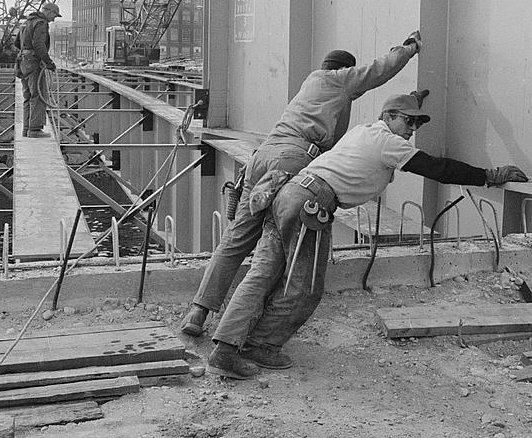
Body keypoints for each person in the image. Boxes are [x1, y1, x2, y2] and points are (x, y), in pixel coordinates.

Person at [208, 92, 528, 379]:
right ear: (387, 117)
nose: (411, 129)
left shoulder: (363, 132)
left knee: (262, 275)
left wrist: (411, 101)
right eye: (407, 120)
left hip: (287, 193)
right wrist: (488, 175)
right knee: (304, 286)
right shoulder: (388, 142)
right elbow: (436, 168)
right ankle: (259, 345)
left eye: (415, 123)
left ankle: (225, 348)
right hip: (311, 202)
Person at [182, 31, 423, 337]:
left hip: (261, 159)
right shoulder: (336, 79)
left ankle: (198, 312)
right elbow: (379, 69)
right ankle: (244, 333)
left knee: (235, 240)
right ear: (344, 70)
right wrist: (408, 49)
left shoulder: (309, 87)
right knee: (276, 252)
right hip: (293, 160)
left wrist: (415, 101)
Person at [14, 1, 61, 138]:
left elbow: (17, 43)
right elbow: (39, 44)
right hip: (33, 63)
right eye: (54, 16)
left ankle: (27, 129)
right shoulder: (41, 23)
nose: (53, 19)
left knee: (28, 96)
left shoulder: (26, 23)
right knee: (38, 95)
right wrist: (48, 62)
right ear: (49, 12)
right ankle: (34, 130)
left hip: (23, 62)